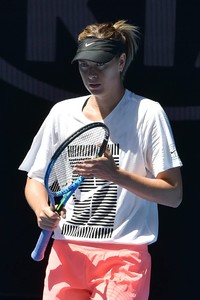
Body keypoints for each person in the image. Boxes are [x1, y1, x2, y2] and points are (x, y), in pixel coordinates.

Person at [19, 19, 183, 300]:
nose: (92, 74)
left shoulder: (147, 113)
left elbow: (174, 194)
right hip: (66, 252)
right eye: (85, 65)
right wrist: (40, 210)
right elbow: (35, 180)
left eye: (101, 65)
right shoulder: (61, 113)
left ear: (120, 62)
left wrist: (116, 174)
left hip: (122, 257)